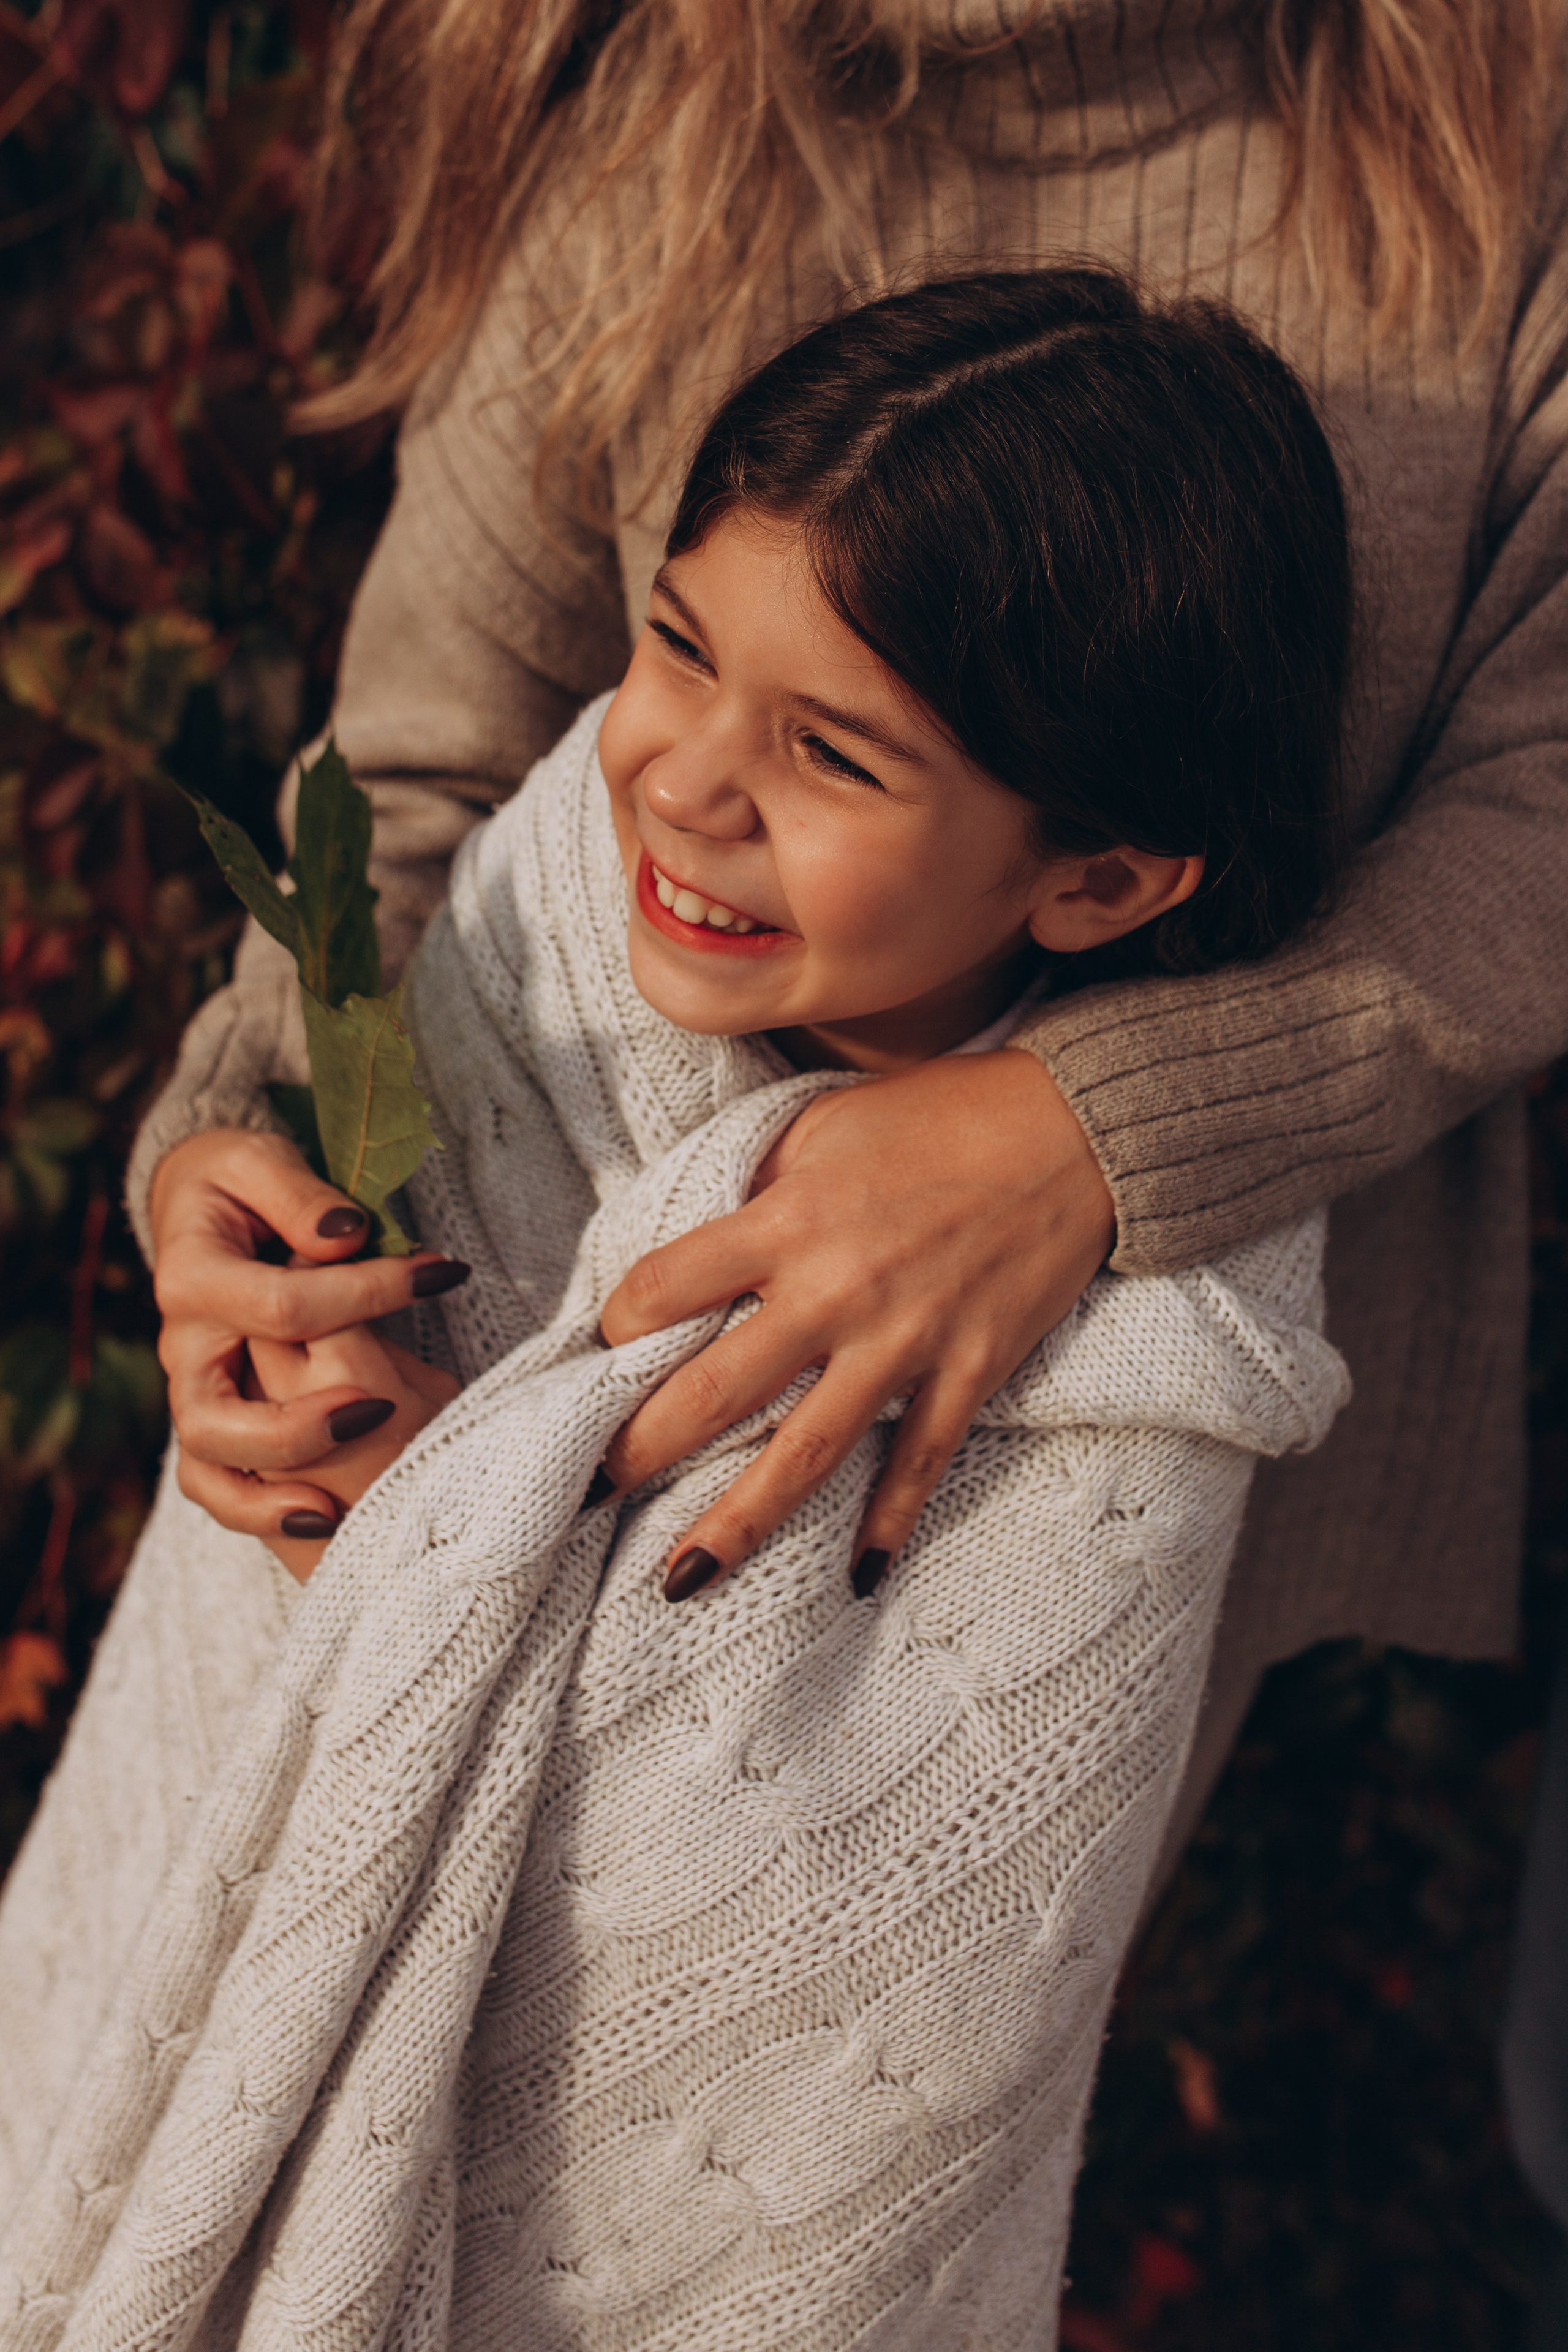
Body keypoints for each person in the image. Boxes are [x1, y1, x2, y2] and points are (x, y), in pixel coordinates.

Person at [0, 265, 1353, 2348]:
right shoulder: (545, 920)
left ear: (1095, 880)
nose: (683, 780)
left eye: (830, 752)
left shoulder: (1142, 1349)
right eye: (680, 647)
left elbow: (869, 1988)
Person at [130, 0, 1568, 1880]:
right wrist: (256, 1146)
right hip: (504, 1333)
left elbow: (1542, 793)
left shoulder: (1497, 138)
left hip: (1112, 1405)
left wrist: (1085, 1129)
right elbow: (421, 769)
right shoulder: (675, 117)